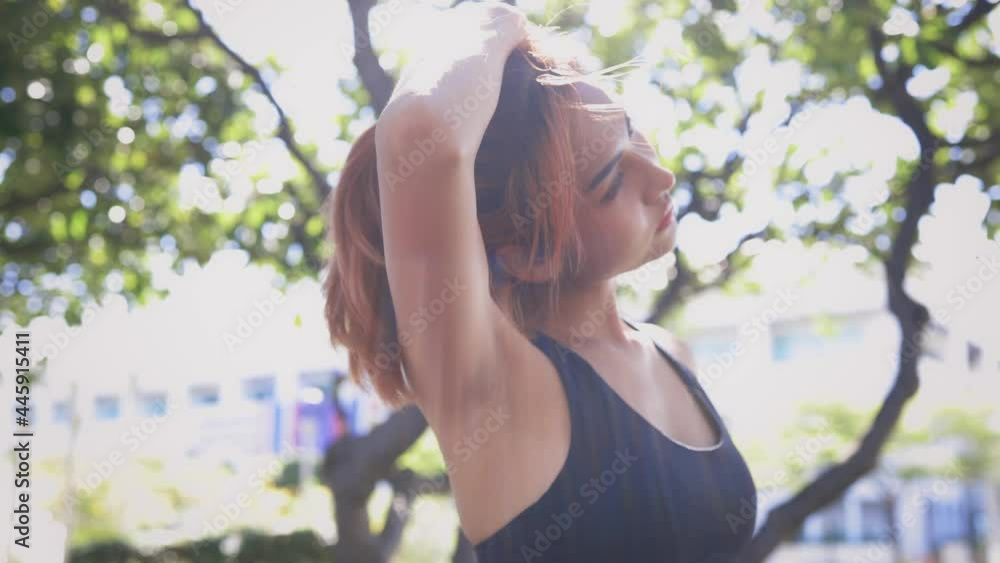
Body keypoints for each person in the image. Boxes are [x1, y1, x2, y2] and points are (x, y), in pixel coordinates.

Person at [324, 3, 757, 561]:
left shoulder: (671, 354)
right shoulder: (495, 391)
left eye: (632, 133)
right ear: (531, 255)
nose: (661, 176)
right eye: (611, 181)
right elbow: (421, 130)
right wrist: (500, 17)